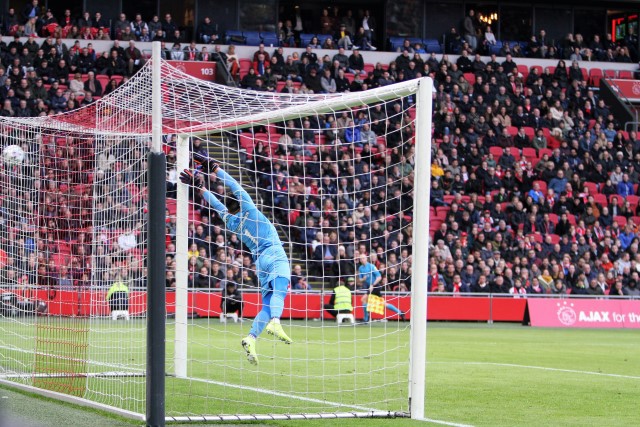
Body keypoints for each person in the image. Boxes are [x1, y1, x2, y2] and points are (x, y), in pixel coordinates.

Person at [179, 160, 292, 366]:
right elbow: (234, 185)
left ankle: (251, 338)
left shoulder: (231, 222)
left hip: (260, 262)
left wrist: (200, 188)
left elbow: (217, 205)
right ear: (240, 202)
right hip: (274, 253)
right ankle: (276, 321)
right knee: (280, 290)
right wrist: (216, 169)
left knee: (267, 303)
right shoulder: (249, 208)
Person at [357, 254, 404, 323]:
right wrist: (363, 279)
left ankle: (366, 318)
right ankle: (400, 312)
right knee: (383, 303)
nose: (362, 260)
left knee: (364, 299)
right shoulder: (360, 268)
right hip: (370, 287)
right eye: (361, 259)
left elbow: (379, 277)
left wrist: (372, 285)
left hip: (375, 286)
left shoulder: (371, 266)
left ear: (366, 259)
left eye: (363, 258)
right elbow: (360, 279)